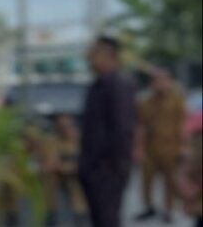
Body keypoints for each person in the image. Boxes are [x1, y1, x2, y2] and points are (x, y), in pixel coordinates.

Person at [78, 35, 137, 227]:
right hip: (94, 168)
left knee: (108, 219)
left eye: (93, 53)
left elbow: (123, 129)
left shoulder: (118, 85)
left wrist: (116, 168)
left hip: (107, 170)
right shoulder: (98, 85)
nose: (88, 57)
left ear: (108, 55)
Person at [134, 69, 187, 223]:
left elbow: (183, 125)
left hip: (171, 147)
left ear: (169, 82)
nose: (160, 84)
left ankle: (168, 210)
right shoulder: (146, 103)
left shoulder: (177, 101)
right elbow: (140, 126)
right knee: (146, 180)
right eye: (157, 81)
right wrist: (139, 148)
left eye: (163, 80)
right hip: (150, 148)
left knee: (170, 181)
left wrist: (184, 147)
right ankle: (149, 206)